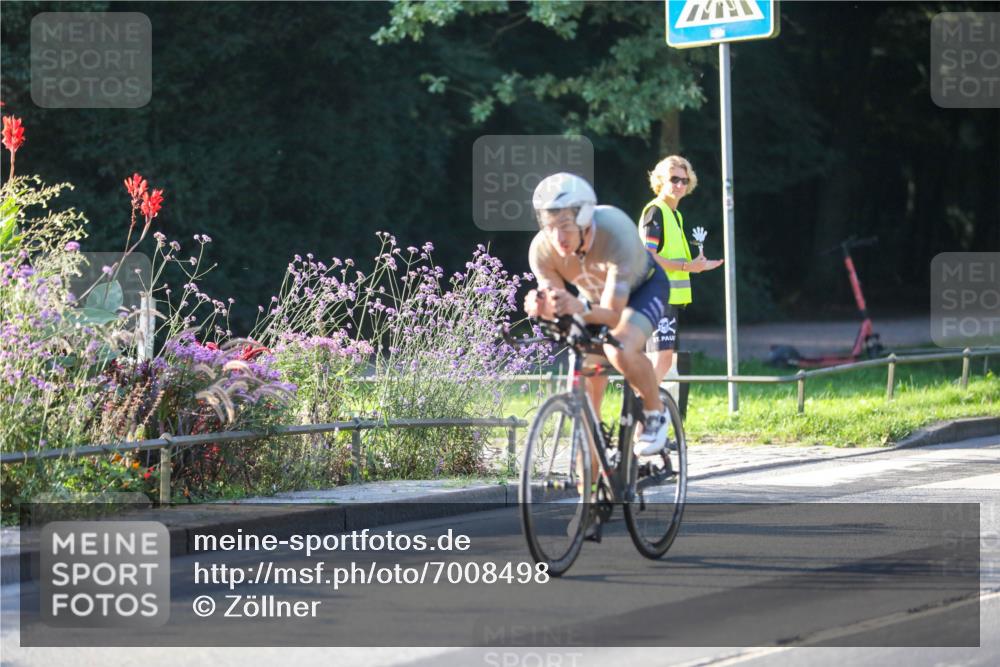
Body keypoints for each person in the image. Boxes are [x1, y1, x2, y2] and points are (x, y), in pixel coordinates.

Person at [523, 173, 671, 457]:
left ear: (584, 219)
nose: (557, 237)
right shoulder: (541, 250)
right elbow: (559, 306)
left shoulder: (615, 231)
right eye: (550, 227)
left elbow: (614, 317)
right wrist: (544, 307)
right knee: (582, 380)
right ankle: (594, 469)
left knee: (619, 348)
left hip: (642, 291)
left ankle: (655, 411)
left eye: (565, 226)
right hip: (593, 300)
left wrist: (579, 308)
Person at [639, 156, 723, 384]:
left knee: (661, 361)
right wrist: (687, 266)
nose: (679, 185)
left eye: (684, 180)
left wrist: (699, 266)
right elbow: (649, 256)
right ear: (660, 181)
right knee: (661, 360)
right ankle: (642, 403)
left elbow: (673, 257)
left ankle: (644, 403)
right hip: (656, 297)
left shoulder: (675, 215)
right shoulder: (656, 211)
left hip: (667, 298)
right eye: (674, 179)